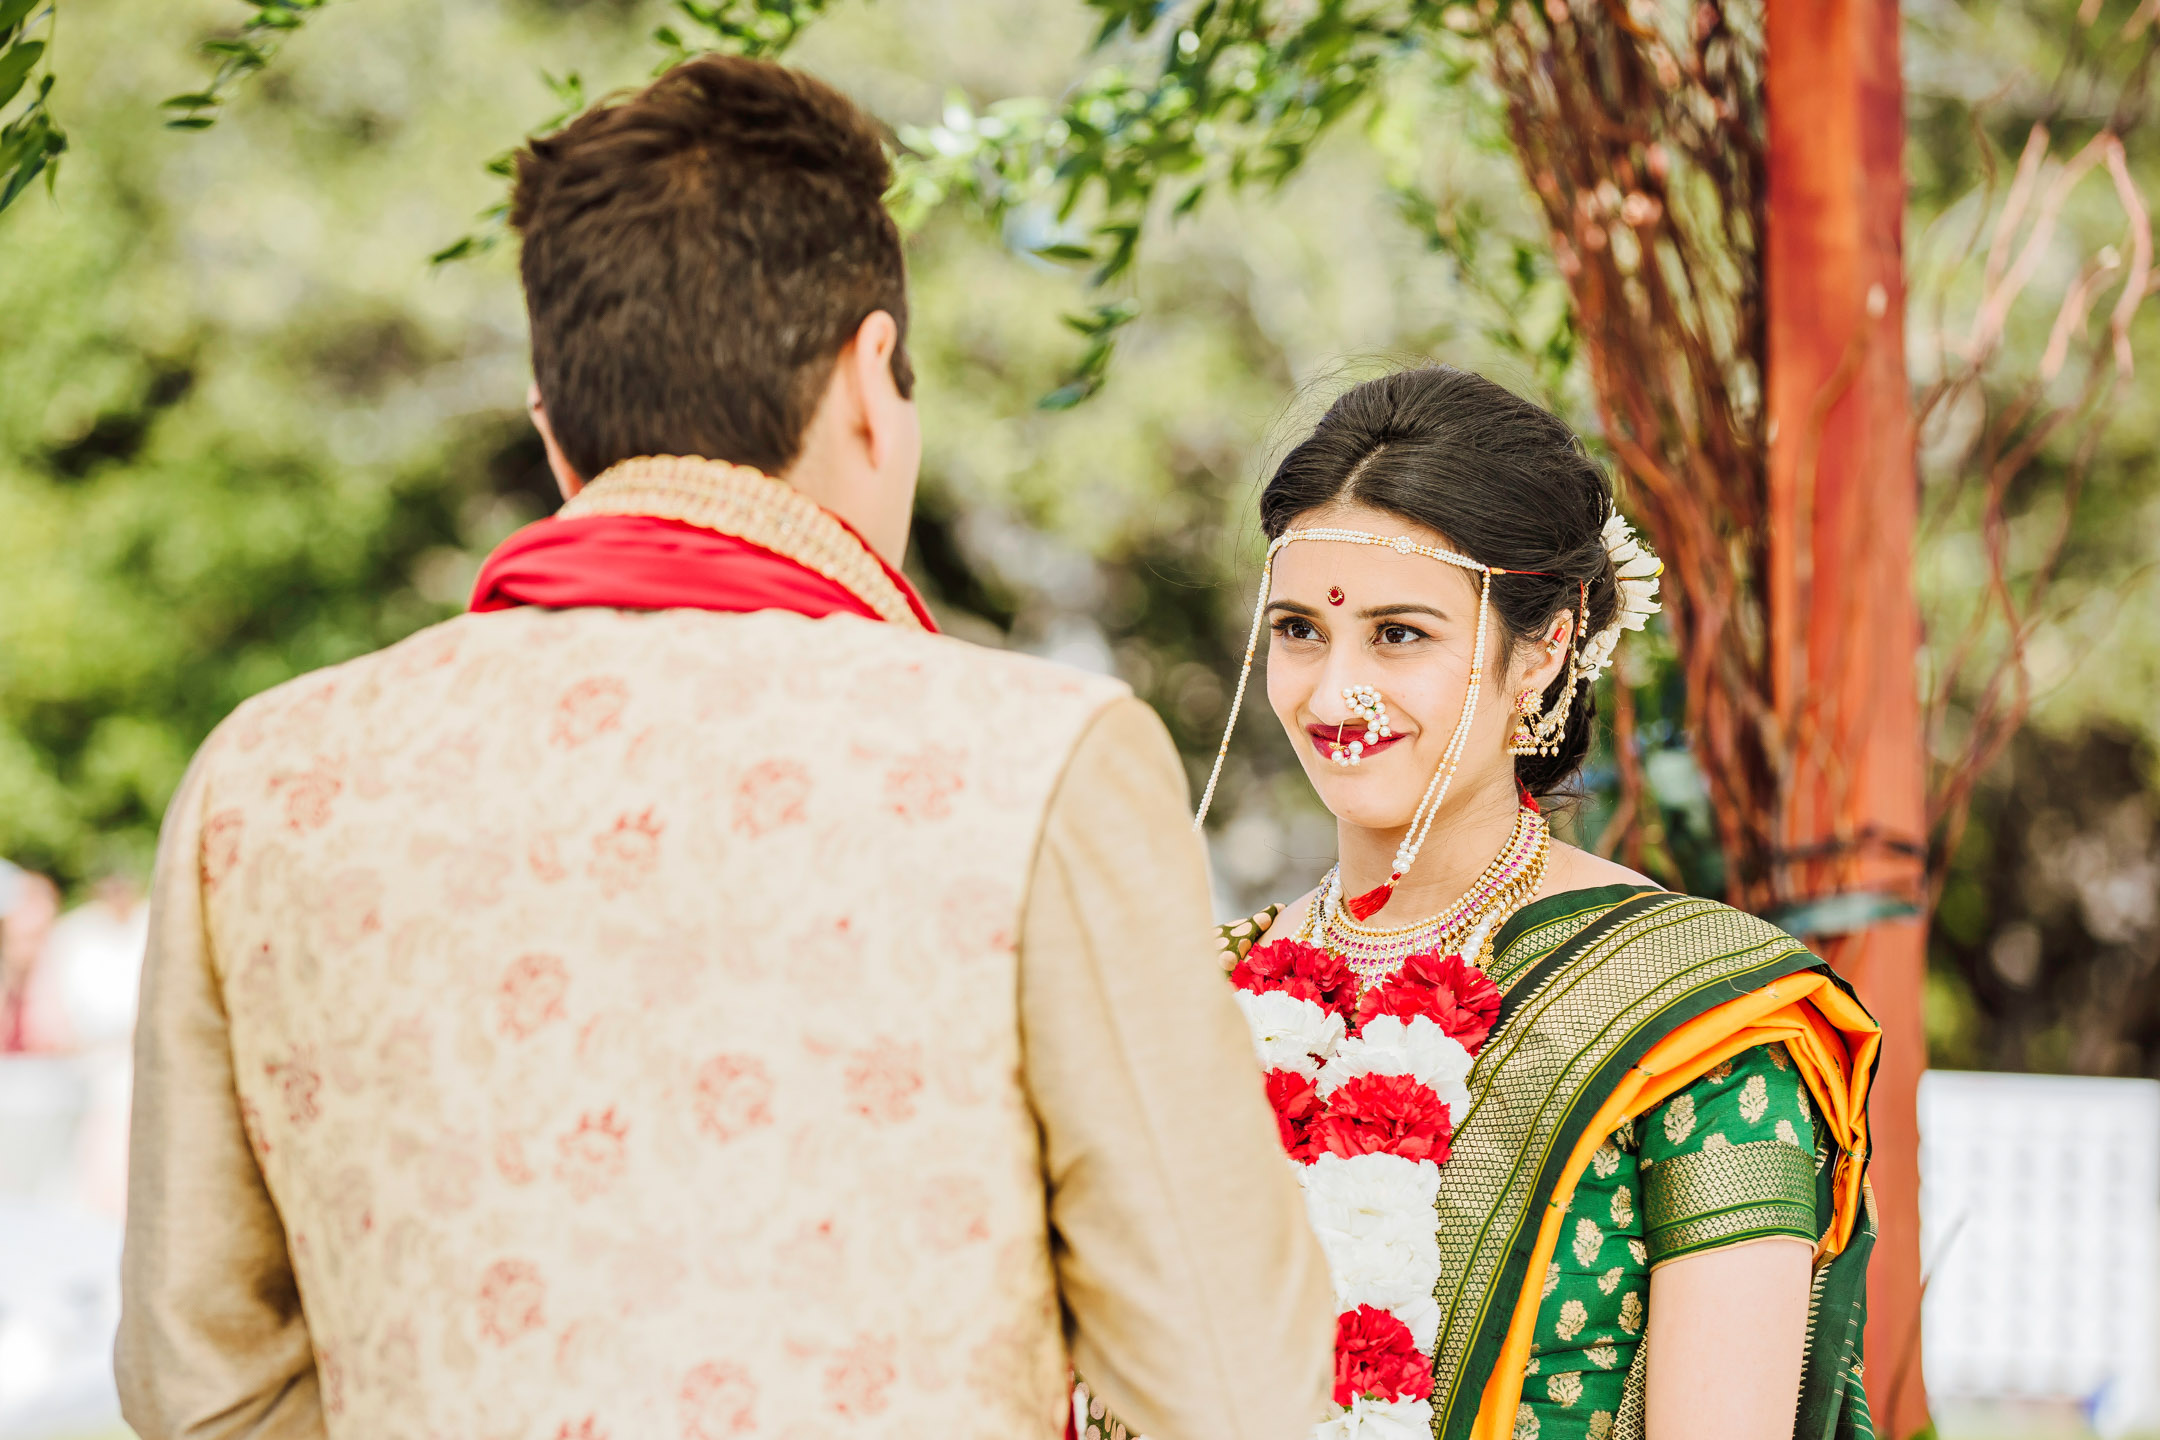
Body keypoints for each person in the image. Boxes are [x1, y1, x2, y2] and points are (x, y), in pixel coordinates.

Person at [117, 56, 1335, 1440]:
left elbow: (198, 1388)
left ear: (554, 432)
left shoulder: (269, 779)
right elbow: (1232, 1384)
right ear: (874, 380)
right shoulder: (1035, 762)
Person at [1179, 368, 1878, 1440]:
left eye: (1399, 634)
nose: (1330, 694)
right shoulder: (1198, 994)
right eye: (1300, 631)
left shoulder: (1698, 1023)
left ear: (1543, 651)